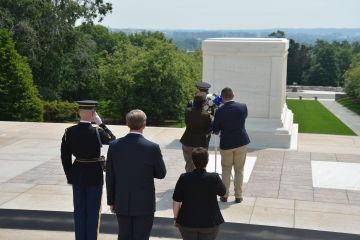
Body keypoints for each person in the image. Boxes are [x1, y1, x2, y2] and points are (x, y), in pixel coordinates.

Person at [106, 109, 167, 240]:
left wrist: (111, 201)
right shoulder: (152, 148)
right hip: (144, 203)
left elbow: (110, 176)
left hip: (121, 201)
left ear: (127, 124)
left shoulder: (114, 146)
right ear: (144, 124)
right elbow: (161, 173)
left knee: (124, 236)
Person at [61, 100, 116, 240]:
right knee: (93, 212)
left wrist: (70, 176)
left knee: (79, 211)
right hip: (94, 175)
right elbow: (113, 140)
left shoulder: (69, 132)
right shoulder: (97, 132)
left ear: (79, 113)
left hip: (77, 174)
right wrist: (101, 124)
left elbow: (65, 157)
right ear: (93, 114)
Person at [172, 147, 226, 240]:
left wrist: (176, 218)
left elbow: (176, 202)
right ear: (207, 161)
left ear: (192, 161)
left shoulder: (184, 178)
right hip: (210, 223)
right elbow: (223, 192)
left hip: (187, 222)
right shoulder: (214, 178)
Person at [212, 87, 250, 203]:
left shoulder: (220, 111)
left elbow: (216, 129)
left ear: (222, 98)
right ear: (233, 96)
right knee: (239, 170)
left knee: (226, 170)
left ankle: (224, 195)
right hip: (241, 142)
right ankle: (238, 196)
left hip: (227, 144)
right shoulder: (243, 107)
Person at [180, 92, 211, 172]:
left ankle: (190, 183)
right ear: (204, 102)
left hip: (187, 141)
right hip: (200, 143)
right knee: (201, 167)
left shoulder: (188, 111)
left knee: (189, 165)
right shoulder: (206, 114)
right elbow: (208, 129)